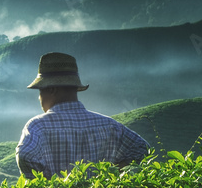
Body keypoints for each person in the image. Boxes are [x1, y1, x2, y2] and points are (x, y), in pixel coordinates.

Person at [15, 52, 148, 179]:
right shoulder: (109, 125)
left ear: (52, 89)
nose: (39, 98)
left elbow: (26, 155)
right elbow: (142, 149)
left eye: (40, 92)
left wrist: (45, 184)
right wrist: (110, 176)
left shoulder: (38, 126)